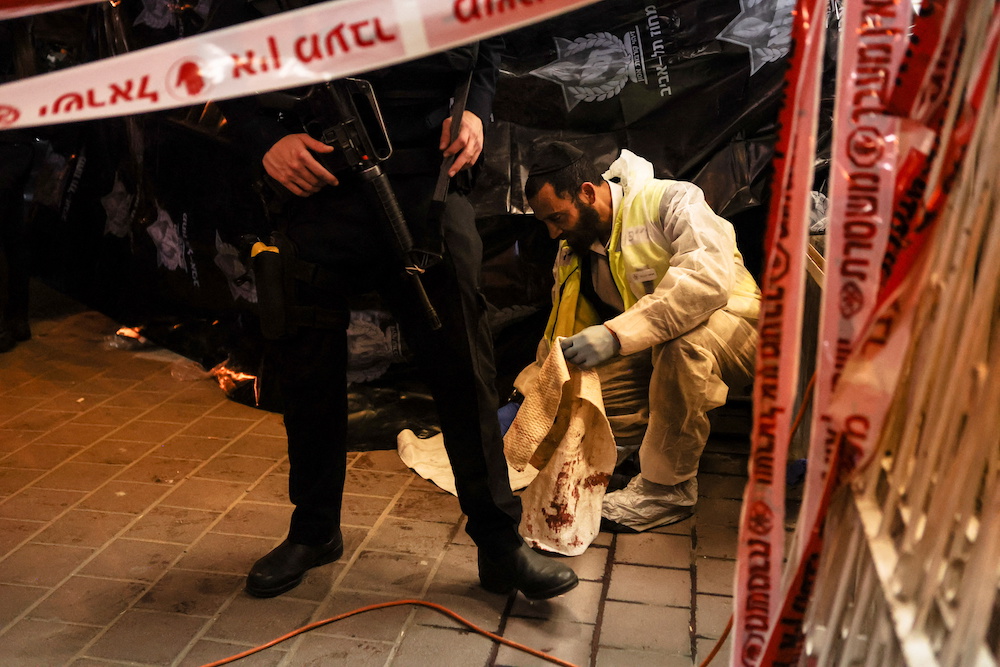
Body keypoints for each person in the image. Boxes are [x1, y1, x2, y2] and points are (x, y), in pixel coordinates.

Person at [201, 1, 578, 599]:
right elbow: (214, 48)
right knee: (309, 365)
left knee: (464, 366)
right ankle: (315, 529)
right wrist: (263, 141)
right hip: (318, 176)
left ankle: (500, 545)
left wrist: (474, 111)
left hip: (426, 176)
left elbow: (489, 37)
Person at [522, 141, 761, 532]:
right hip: (648, 345)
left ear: (586, 192)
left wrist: (616, 335)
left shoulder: (671, 201)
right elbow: (561, 326)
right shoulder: (574, 249)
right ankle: (637, 448)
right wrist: (537, 395)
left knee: (684, 345)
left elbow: (708, 281)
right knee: (580, 404)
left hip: (738, 327)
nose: (552, 233)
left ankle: (667, 489)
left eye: (557, 217)